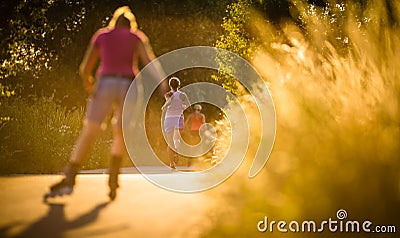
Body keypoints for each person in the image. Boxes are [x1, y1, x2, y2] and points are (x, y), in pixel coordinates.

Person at [44, 6, 166, 201]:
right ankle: (113, 179)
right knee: (120, 130)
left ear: (114, 23)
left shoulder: (102, 35)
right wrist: (163, 82)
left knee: (90, 129)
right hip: (129, 85)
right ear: (130, 25)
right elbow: (150, 61)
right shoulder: (136, 37)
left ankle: (70, 178)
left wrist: (88, 82)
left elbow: (85, 66)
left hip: (105, 83)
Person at [161, 77, 190, 170]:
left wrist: (165, 106)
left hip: (169, 119)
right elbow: (188, 106)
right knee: (177, 138)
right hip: (179, 118)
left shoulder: (167, 94)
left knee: (170, 142)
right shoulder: (182, 95)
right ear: (179, 85)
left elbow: (169, 102)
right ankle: (176, 151)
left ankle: (171, 163)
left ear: (170, 85)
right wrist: (182, 107)